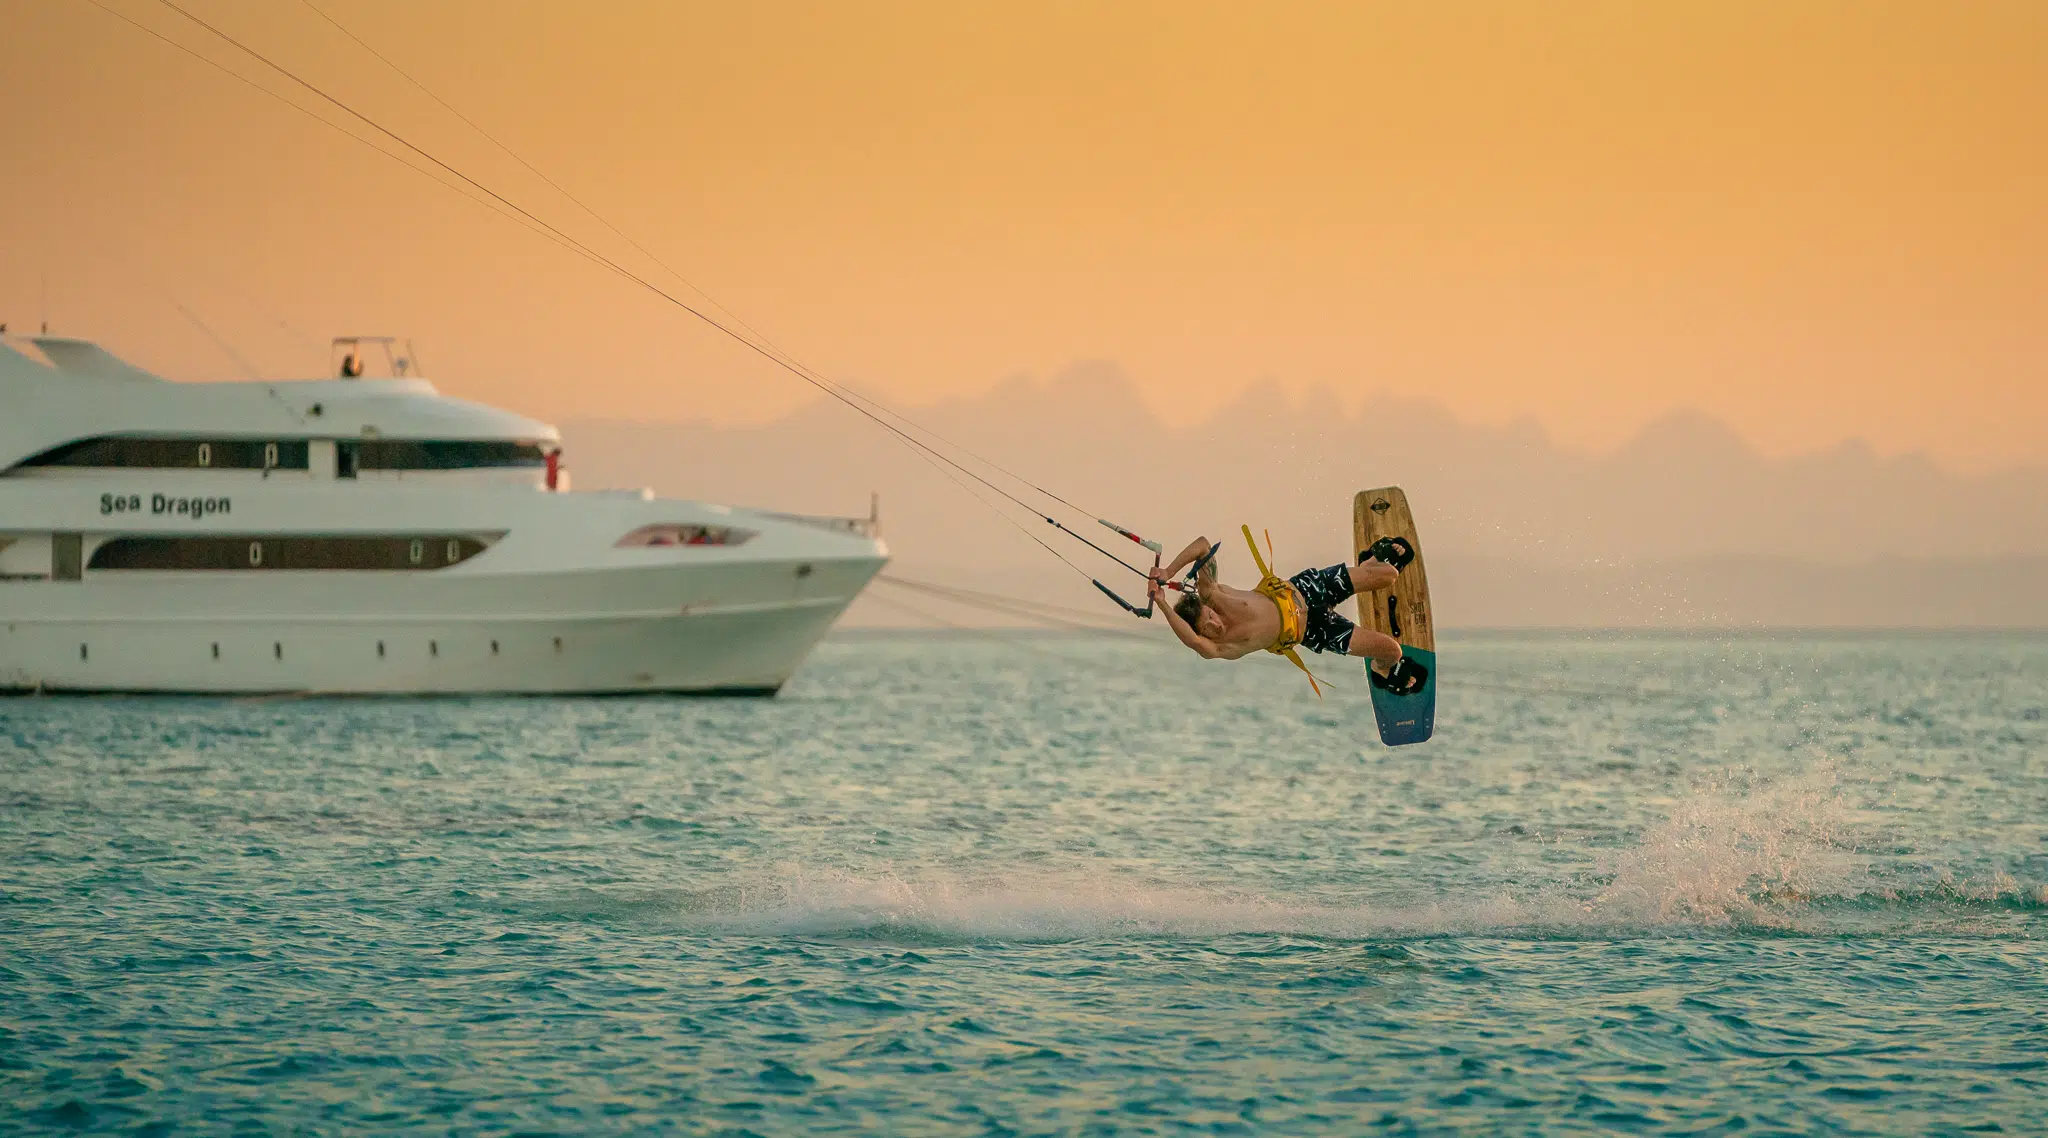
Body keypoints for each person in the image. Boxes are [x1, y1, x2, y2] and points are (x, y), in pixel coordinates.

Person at [1148, 531, 1428, 694]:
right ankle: (1382, 669)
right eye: (1208, 627)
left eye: (1211, 615)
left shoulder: (1211, 593)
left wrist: (1168, 572)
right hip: (1315, 630)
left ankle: (1368, 564)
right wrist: (1161, 603)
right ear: (1201, 633)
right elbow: (1193, 641)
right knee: (1392, 652)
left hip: (1307, 588)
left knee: (1390, 574)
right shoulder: (1220, 647)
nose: (1216, 623)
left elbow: (1203, 545)